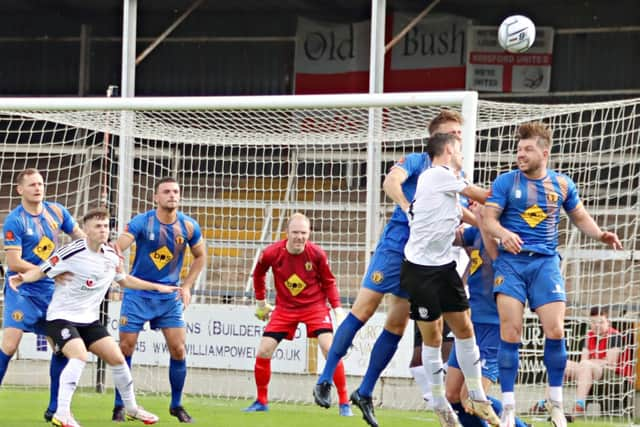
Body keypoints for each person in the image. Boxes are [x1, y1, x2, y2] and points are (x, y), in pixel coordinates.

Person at [314, 110, 470, 427]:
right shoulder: (416, 161)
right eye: (451, 132)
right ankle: (326, 376)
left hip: (421, 257)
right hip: (397, 243)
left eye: (459, 132)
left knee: (397, 325)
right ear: (437, 138)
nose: (457, 137)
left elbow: (459, 212)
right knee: (365, 308)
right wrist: (408, 207)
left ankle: (366, 391)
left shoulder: (458, 174)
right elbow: (391, 181)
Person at [482, 122, 622, 427]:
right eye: (519, 149)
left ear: (544, 152)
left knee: (556, 330)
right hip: (512, 264)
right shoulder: (506, 182)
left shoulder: (562, 184)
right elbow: (487, 218)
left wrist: (601, 235)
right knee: (511, 332)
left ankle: (557, 404)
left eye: (528, 149)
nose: (521, 154)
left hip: (545, 263)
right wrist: (503, 233)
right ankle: (507, 408)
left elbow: (579, 216)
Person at [9, 207, 177, 427]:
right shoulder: (71, 251)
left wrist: (156, 287)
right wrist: (22, 278)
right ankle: (62, 413)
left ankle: (132, 408)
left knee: (117, 359)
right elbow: (41, 270)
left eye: (106, 226)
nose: (103, 230)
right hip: (60, 317)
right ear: (86, 229)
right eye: (98, 226)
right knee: (79, 356)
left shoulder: (111, 257)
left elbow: (124, 280)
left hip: (89, 320)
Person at [400, 132, 499, 427]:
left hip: (444, 268)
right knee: (433, 336)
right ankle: (440, 402)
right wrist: (514, 189)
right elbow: (481, 196)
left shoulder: (441, 189)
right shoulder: (438, 174)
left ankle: (479, 398)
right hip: (419, 271)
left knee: (464, 329)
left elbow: (465, 213)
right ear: (449, 150)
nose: (462, 154)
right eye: (459, 149)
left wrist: (488, 225)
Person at [112, 177, 206, 423]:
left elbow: (201, 257)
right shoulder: (142, 222)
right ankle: (120, 404)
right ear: (155, 197)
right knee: (125, 347)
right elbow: (116, 248)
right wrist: (120, 275)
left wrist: (186, 286)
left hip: (169, 296)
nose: (172, 195)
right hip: (138, 294)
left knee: (178, 348)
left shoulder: (188, 226)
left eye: (175, 191)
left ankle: (176, 404)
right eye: (166, 191)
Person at [244, 213, 352, 416]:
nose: (299, 237)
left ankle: (344, 402)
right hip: (285, 308)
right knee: (264, 350)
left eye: (303, 233)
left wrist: (337, 309)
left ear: (309, 233)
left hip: (315, 306)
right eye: (295, 232)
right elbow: (258, 274)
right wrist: (260, 303)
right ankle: (261, 401)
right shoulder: (271, 253)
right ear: (287, 233)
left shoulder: (317, 254)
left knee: (330, 348)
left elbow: (329, 281)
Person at [0, 168, 85, 422]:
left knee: (59, 346)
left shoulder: (57, 212)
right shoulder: (15, 220)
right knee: (9, 344)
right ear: (20, 190)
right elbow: (14, 262)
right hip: (22, 289)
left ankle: (55, 409)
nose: (38, 188)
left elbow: (80, 238)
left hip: (50, 291)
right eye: (32, 184)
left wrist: (95, 252)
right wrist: (50, 271)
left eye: (41, 183)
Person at [445, 203, 529, 427]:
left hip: (495, 327)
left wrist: (481, 219)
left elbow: (495, 256)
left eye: (477, 204)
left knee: (472, 397)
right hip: (471, 325)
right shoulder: (475, 233)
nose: (473, 208)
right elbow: (451, 238)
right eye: (470, 205)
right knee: (452, 395)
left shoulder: (509, 236)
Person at [531, 305, 631, 416]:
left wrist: (590, 363)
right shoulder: (589, 336)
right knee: (563, 364)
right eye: (593, 322)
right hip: (591, 369)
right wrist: (590, 363)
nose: (597, 325)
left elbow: (610, 363)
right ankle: (548, 402)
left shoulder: (614, 336)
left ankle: (579, 405)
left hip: (614, 375)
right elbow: (583, 360)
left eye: (601, 322)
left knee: (586, 365)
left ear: (608, 322)